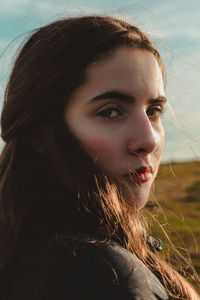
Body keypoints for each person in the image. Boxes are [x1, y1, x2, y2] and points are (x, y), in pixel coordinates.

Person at [0, 15, 199, 300]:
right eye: (111, 111)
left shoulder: (27, 249)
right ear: (40, 133)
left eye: (153, 111)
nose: (149, 140)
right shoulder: (99, 276)